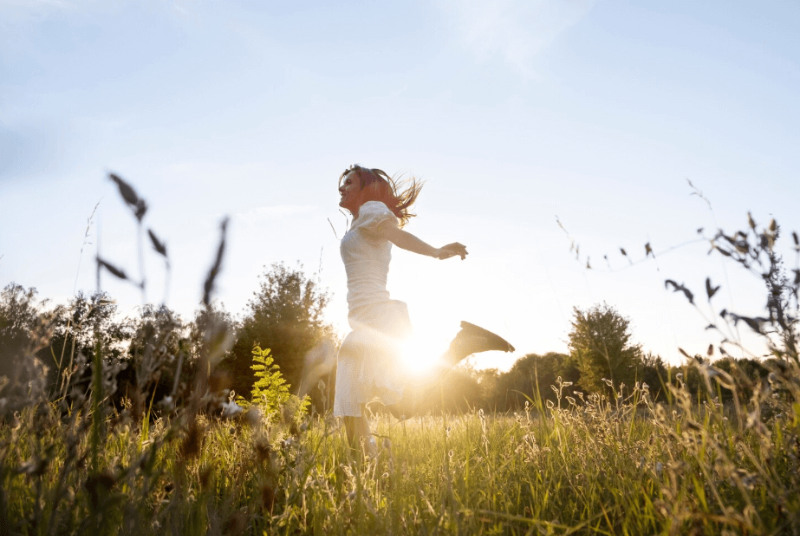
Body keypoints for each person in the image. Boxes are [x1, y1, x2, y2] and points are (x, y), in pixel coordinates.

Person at [333, 165, 513, 455]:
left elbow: (397, 235)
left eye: (350, 182)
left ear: (367, 189)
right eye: (342, 183)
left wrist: (436, 251)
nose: (342, 187)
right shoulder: (359, 223)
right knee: (349, 405)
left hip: (378, 321)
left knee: (402, 406)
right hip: (361, 326)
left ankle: (461, 347)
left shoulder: (372, 210)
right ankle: (367, 471)